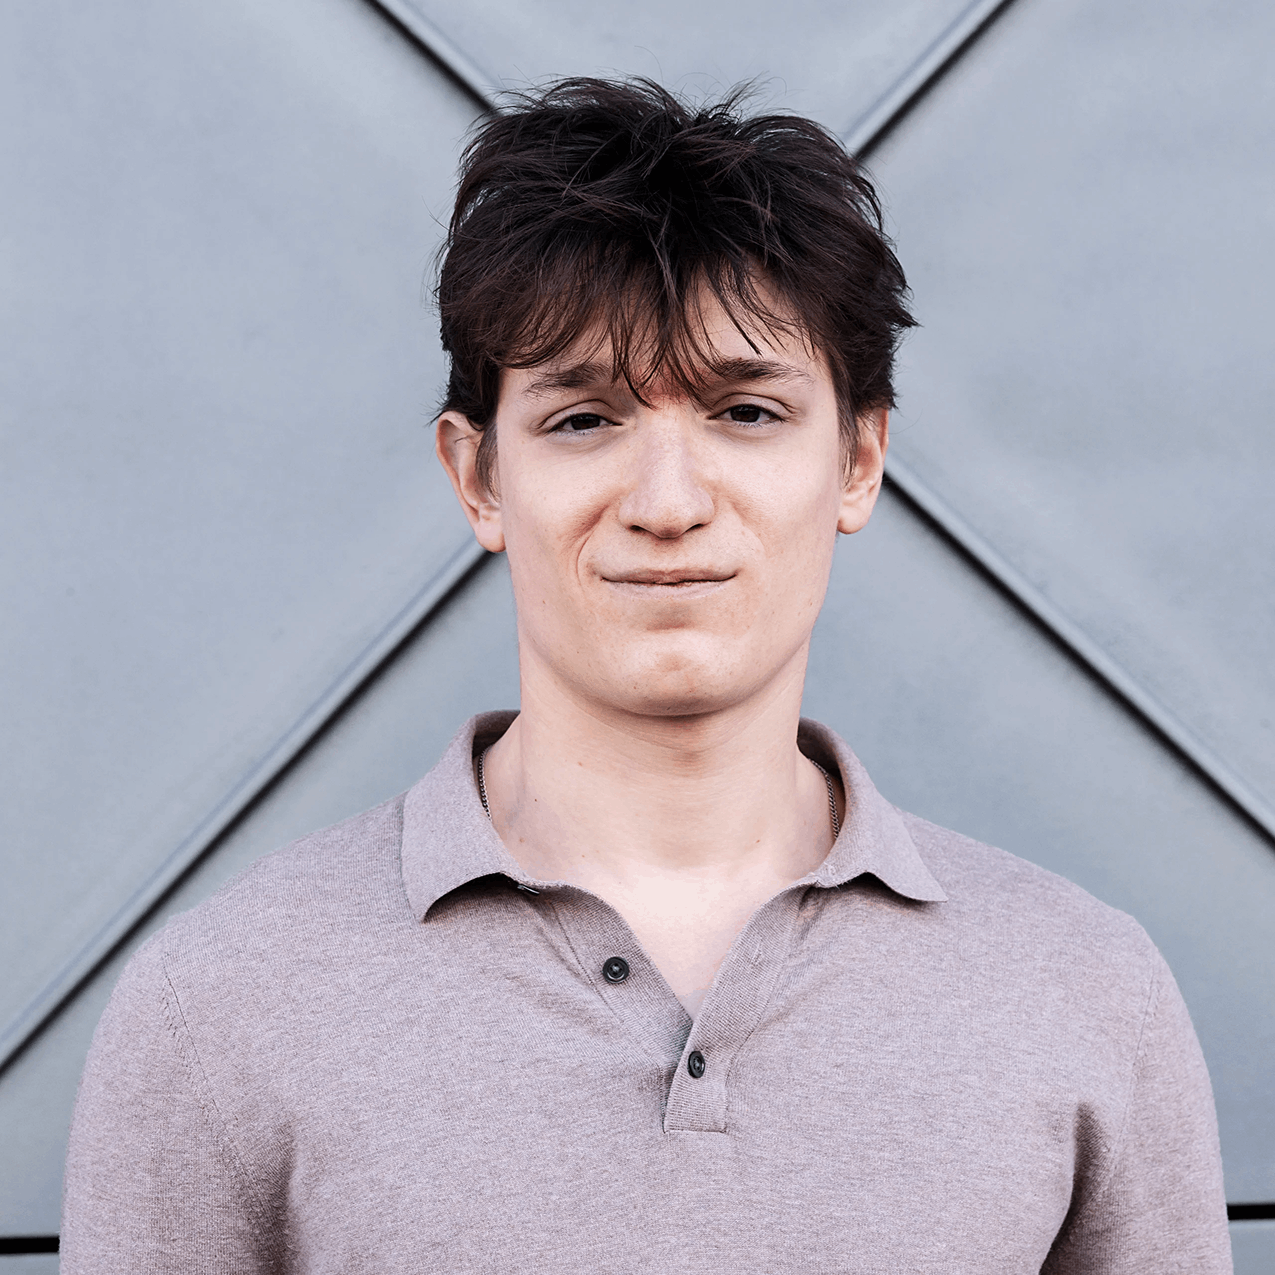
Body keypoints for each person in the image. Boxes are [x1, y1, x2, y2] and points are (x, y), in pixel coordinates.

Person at [62, 78, 1231, 1273]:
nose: (669, 505)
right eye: (584, 420)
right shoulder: (215, 1011)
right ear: (479, 479)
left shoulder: (1085, 989)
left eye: (745, 411)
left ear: (860, 460)